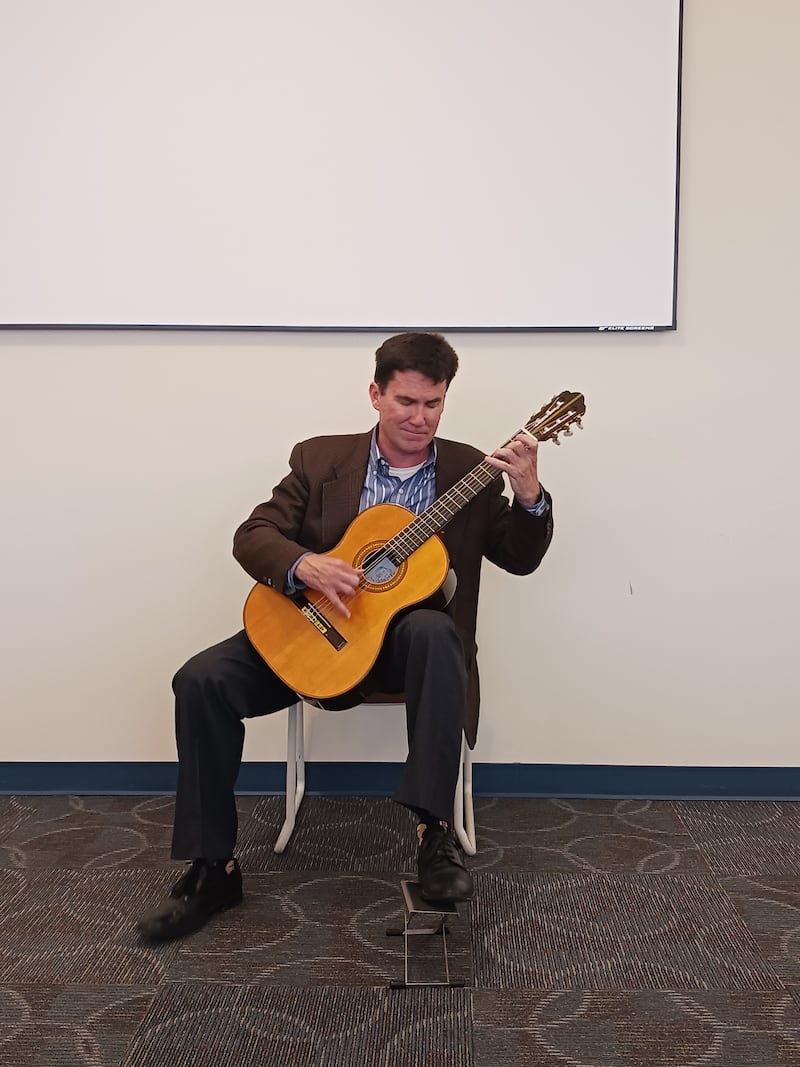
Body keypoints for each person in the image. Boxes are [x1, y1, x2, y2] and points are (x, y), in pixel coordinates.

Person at [137, 331, 553, 942]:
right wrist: (305, 565)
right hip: (319, 634)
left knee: (437, 631)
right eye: (405, 401)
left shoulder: (470, 470)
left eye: (433, 404)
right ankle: (213, 867)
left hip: (411, 655)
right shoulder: (319, 459)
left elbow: (520, 557)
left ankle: (432, 833)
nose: (419, 418)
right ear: (375, 395)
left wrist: (529, 496)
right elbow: (253, 534)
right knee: (200, 679)